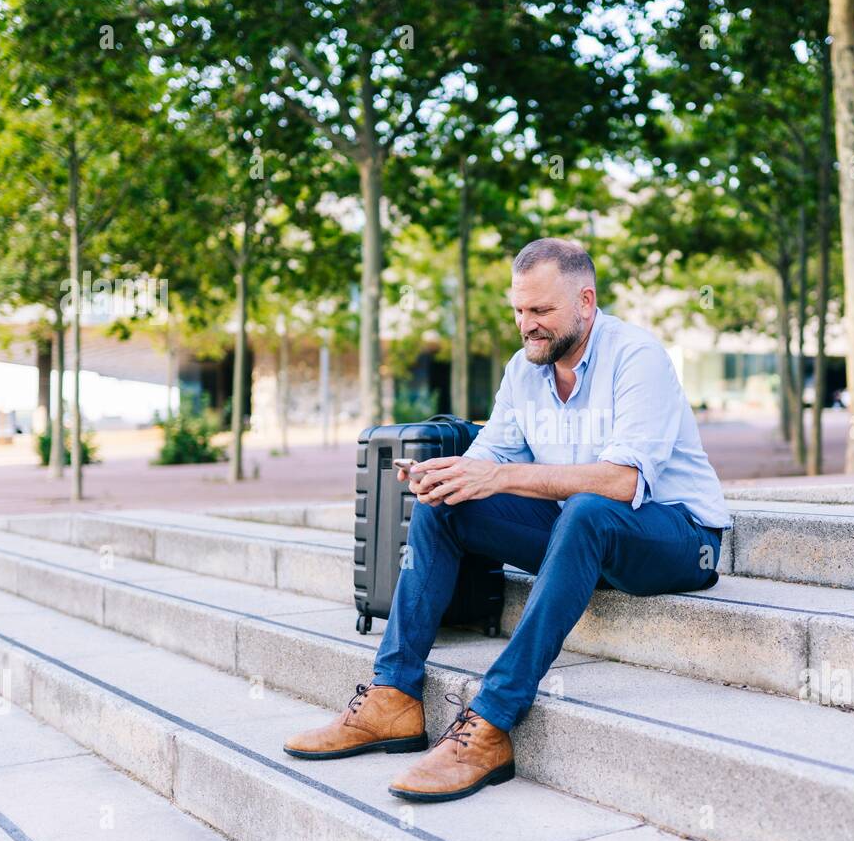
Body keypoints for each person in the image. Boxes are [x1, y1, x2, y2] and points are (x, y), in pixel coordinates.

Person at [283, 237, 733, 803]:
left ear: (586, 302)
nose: (528, 325)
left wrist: (498, 479)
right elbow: (490, 458)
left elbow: (623, 483)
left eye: (541, 311)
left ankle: (492, 722)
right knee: (445, 503)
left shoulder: (638, 357)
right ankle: (393, 697)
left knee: (592, 508)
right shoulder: (524, 369)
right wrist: (442, 474)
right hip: (581, 534)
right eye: (519, 310)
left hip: (679, 538)